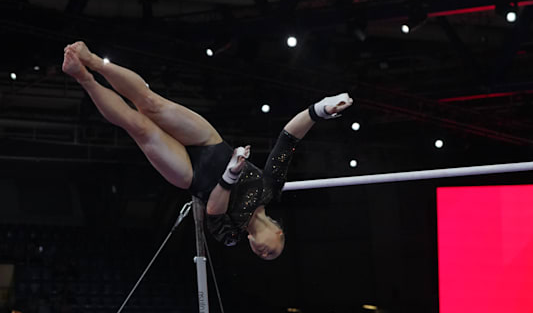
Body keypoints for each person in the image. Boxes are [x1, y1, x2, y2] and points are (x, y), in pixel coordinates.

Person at [62, 41, 352, 260]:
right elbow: (288, 138)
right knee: (151, 104)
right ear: (279, 232)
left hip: (191, 175)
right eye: (273, 252)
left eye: (263, 257)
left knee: (138, 125)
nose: (265, 255)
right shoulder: (271, 187)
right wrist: (319, 110)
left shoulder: (231, 235)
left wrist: (231, 175)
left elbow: (213, 211)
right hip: (210, 145)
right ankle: (94, 61)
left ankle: (83, 77)